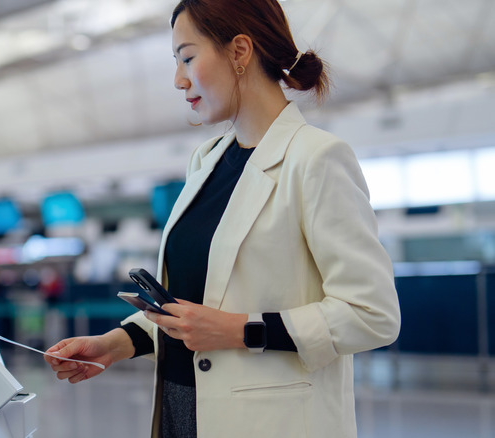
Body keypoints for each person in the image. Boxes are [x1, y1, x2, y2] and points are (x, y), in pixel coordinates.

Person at [44, 1, 401, 437]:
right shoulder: (207, 160)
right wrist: (114, 344)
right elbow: (194, 306)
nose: (179, 80)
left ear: (239, 52)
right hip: (183, 411)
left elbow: (372, 314)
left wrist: (240, 330)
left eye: (188, 58)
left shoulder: (316, 160)